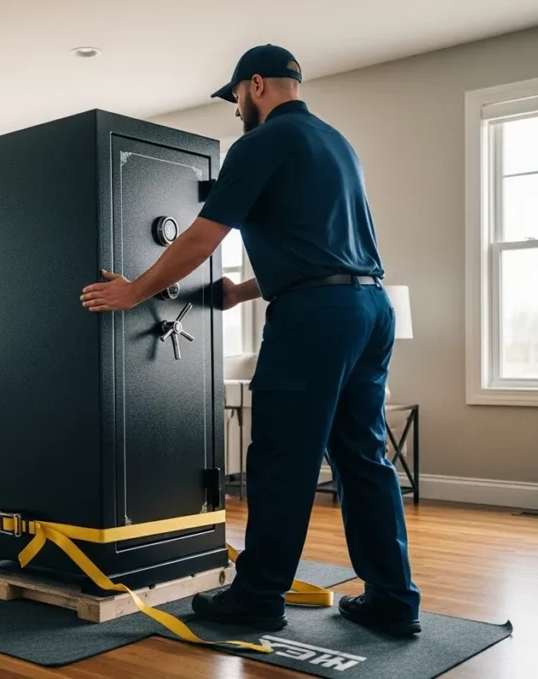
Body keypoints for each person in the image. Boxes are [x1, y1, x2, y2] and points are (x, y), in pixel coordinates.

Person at [79, 44, 421, 637]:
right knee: (363, 457)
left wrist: (135, 290)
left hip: (314, 317)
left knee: (282, 457)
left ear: (255, 84)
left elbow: (202, 236)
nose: (236, 108)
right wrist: (244, 292)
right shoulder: (336, 144)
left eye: (236, 96)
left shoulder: (260, 143)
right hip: (368, 307)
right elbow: (327, 251)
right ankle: (394, 599)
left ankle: (258, 596)